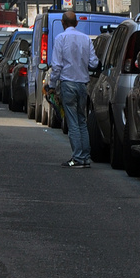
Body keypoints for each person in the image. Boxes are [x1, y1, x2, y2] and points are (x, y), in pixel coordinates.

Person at [48, 12, 97, 167]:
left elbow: (56, 65)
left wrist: (51, 85)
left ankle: (77, 157)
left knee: (73, 121)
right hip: (83, 84)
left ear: (63, 23)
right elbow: (94, 63)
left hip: (68, 82)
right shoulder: (85, 39)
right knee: (82, 120)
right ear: (76, 23)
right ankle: (85, 157)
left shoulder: (60, 39)